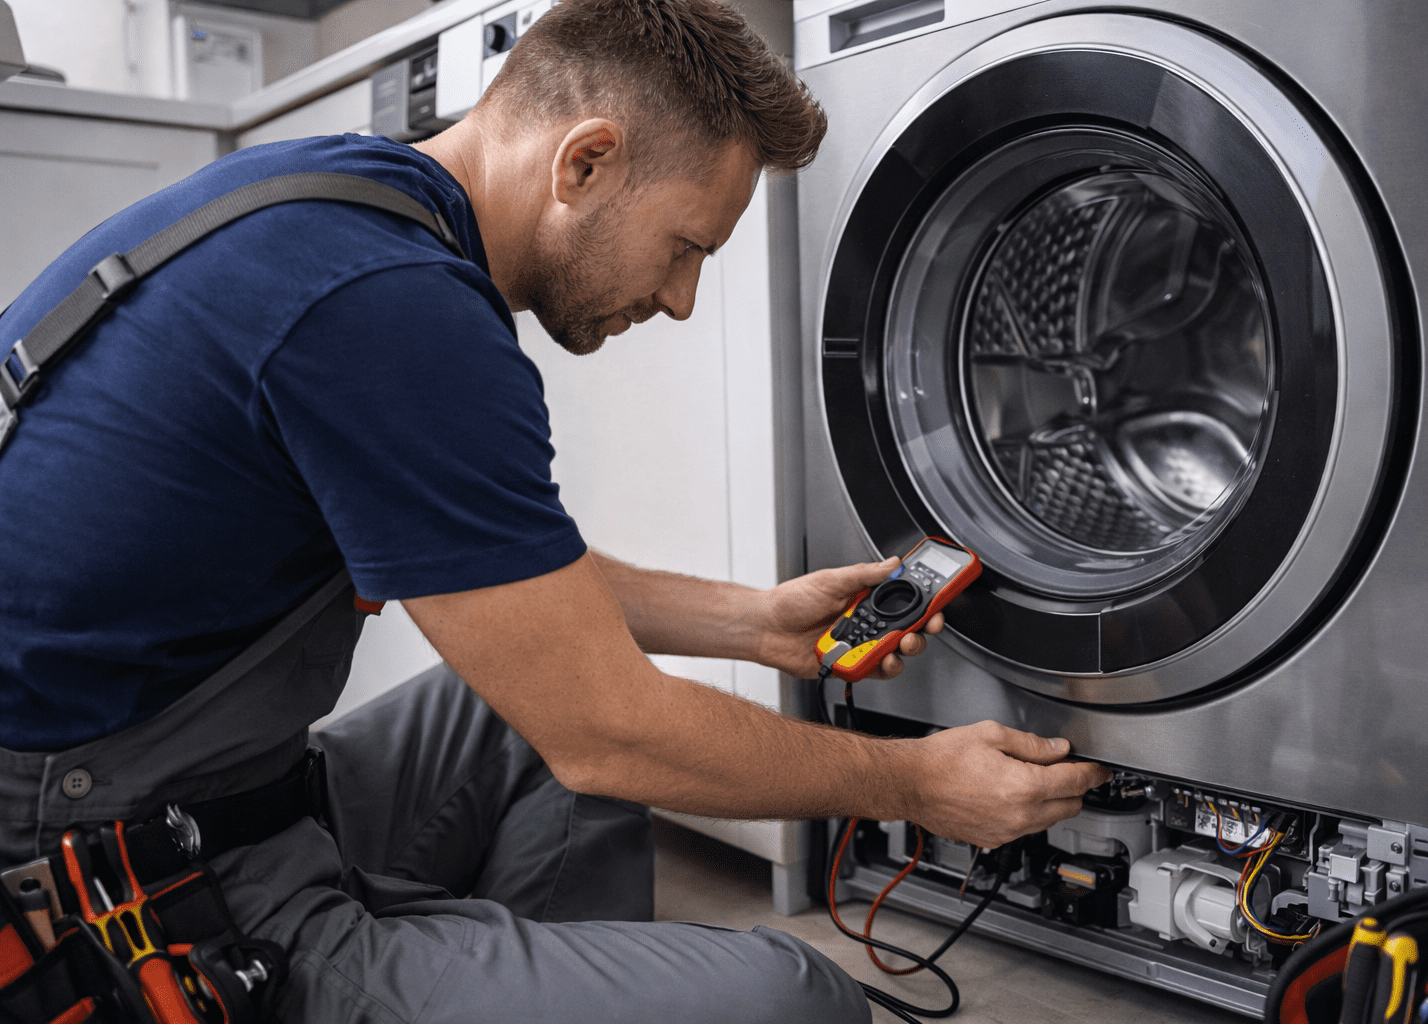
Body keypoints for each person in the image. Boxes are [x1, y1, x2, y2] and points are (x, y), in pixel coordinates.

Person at [0, 0, 1111, 1020]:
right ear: (586, 161)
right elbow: (606, 731)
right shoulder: (393, 311)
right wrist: (916, 785)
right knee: (789, 997)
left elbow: (497, 576)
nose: (680, 301)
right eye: (688, 248)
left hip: (211, 794)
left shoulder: (338, 212)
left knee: (510, 716)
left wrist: (755, 620)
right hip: (107, 884)